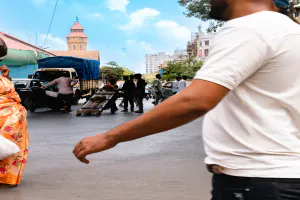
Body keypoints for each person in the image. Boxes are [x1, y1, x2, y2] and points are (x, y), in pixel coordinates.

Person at [74, 0, 300, 199]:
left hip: (260, 181)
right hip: (275, 176)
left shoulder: (250, 28)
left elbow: (194, 101)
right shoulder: (288, 31)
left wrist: (110, 137)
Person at [0, 38, 29, 188]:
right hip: (14, 120)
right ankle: (8, 179)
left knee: (6, 149)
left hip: (9, 119)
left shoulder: (3, 79)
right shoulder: (4, 80)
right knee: (9, 151)